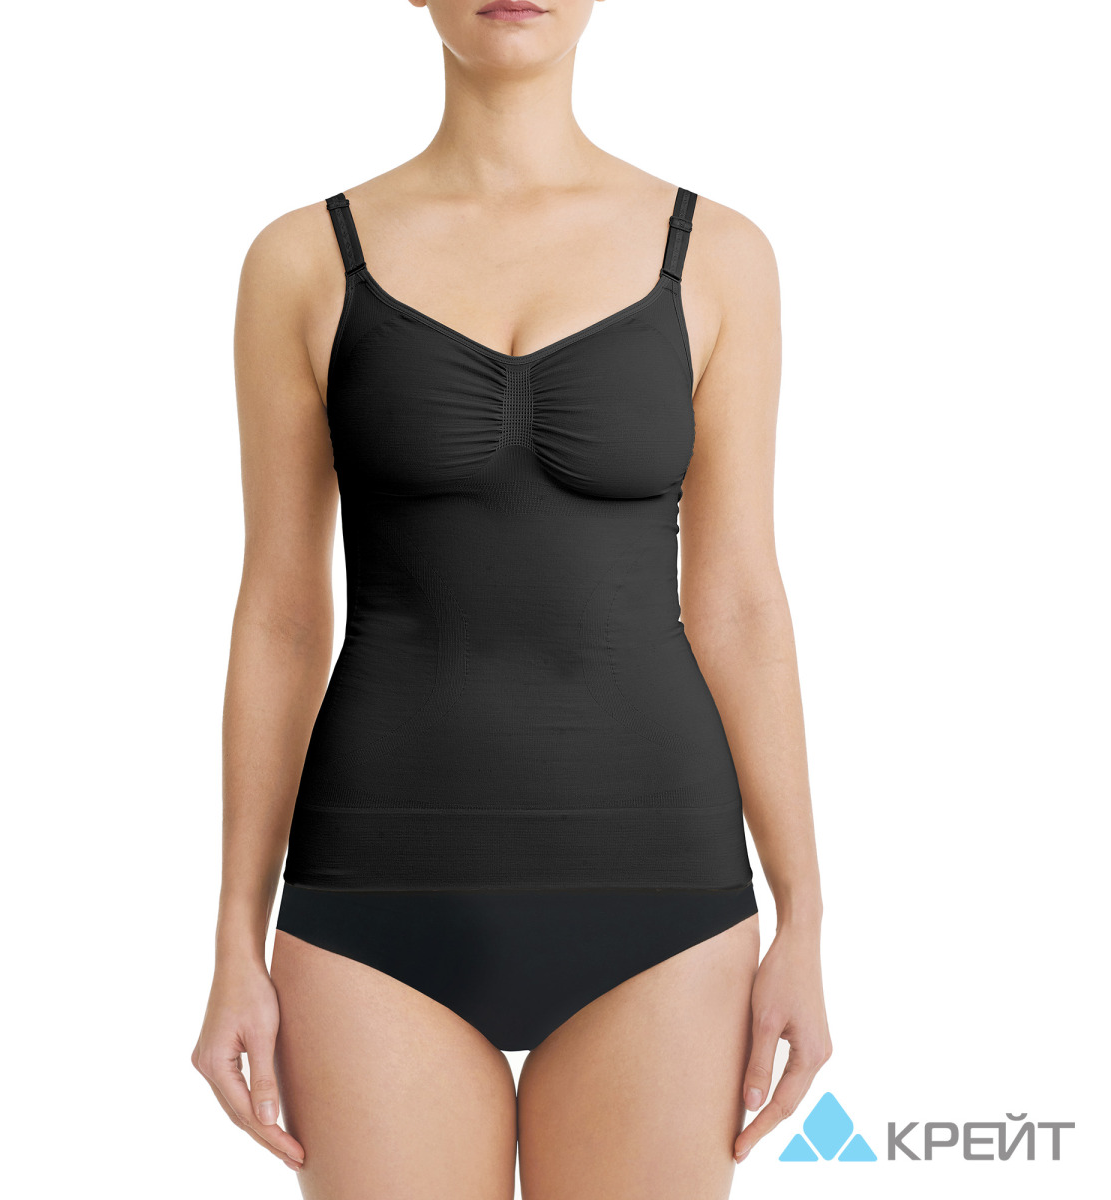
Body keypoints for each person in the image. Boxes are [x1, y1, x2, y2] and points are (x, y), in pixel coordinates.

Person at [191, 2, 830, 1196]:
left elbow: (741, 601)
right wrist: (234, 932)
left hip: (665, 900)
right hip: (371, 905)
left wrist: (805, 915)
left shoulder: (720, 254)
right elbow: (280, 613)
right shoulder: (302, 260)